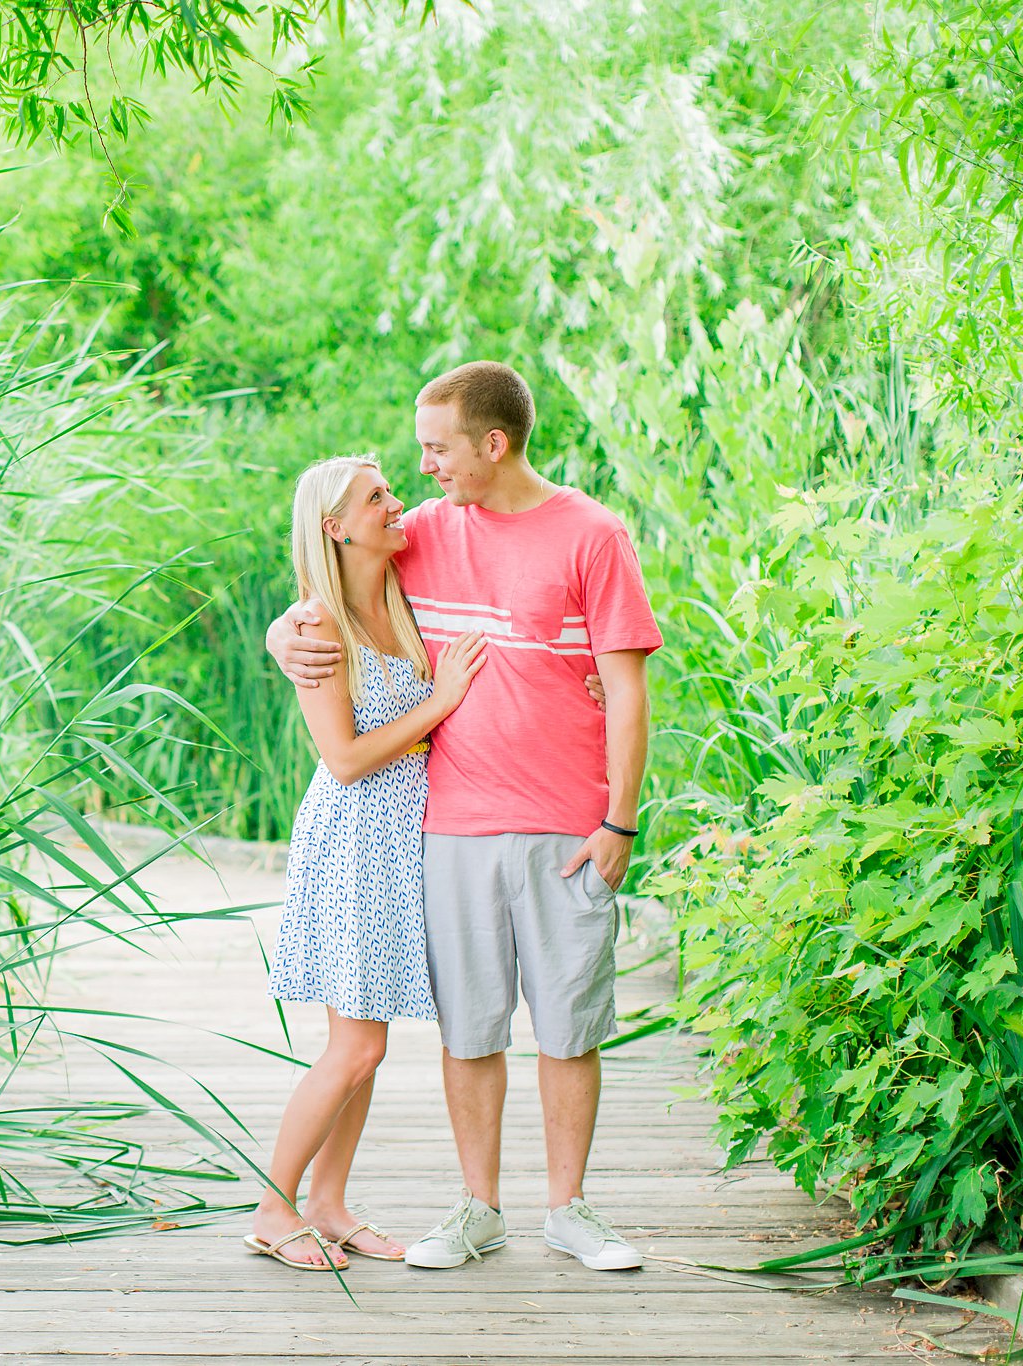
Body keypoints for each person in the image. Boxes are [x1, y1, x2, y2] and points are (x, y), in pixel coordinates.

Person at [266, 361, 660, 1272]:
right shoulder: (422, 535)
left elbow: (631, 694)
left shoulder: (593, 535)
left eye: (438, 449)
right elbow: (326, 583)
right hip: (447, 827)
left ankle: (570, 1210)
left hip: (570, 826)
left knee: (570, 1027)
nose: (424, 469)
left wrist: (621, 819)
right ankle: (478, 1208)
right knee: (470, 1030)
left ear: (494, 442)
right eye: (414, 455)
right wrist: (282, 632)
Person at [243, 456, 490, 1272]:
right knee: (354, 1046)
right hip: (354, 838)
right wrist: (439, 701)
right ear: (334, 525)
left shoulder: (400, 587)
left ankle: (329, 1202)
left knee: (369, 1039)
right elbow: (343, 759)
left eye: (390, 489)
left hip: (402, 839)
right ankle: (273, 1211)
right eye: (375, 497)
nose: (395, 503)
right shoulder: (317, 628)